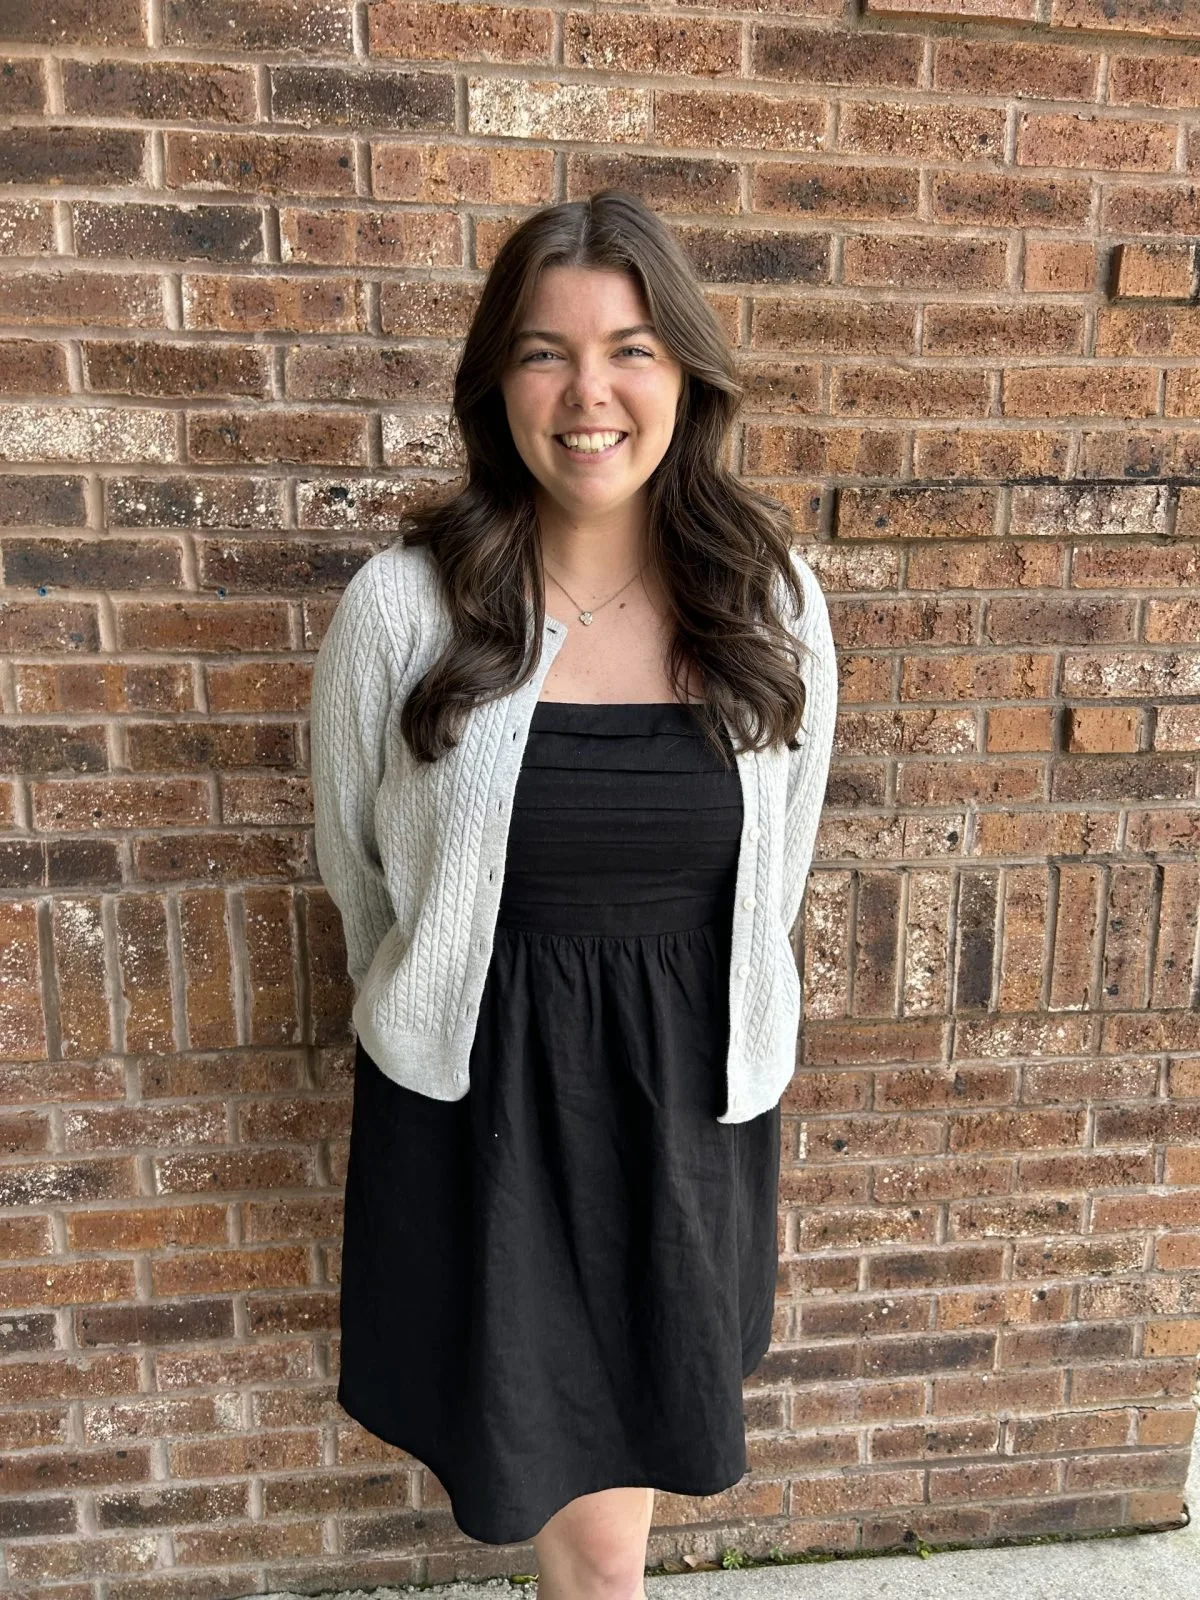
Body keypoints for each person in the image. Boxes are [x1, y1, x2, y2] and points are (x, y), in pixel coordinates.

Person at [309, 189, 838, 1598]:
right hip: (483, 1122)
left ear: (687, 377)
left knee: (607, 1535)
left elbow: (779, 865)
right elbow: (360, 877)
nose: (588, 392)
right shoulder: (403, 609)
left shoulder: (768, 601)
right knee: (595, 1549)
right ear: (498, 381)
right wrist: (424, 1012)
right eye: (546, 352)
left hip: (681, 1122)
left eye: (632, 349)